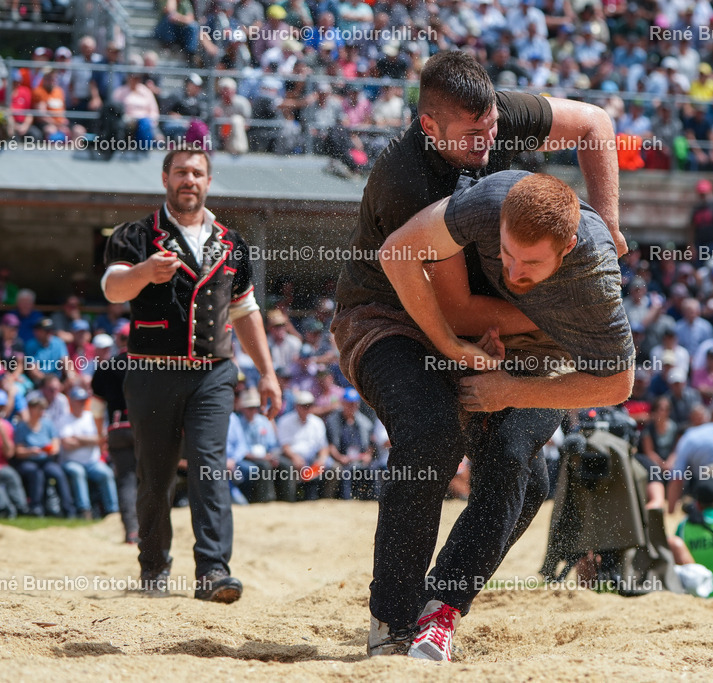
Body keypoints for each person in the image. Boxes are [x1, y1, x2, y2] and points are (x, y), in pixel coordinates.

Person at [330, 50, 626, 661]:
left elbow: (596, 123)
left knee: (521, 468)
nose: (488, 142)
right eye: (472, 135)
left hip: (492, 316)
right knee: (432, 432)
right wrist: (464, 346)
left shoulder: (493, 120)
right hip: (390, 316)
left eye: (493, 126)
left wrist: (613, 228)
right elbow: (458, 314)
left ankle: (440, 606)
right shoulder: (406, 181)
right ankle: (392, 621)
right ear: (430, 126)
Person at [374, 170, 634, 660]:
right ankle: (430, 603)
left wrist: (510, 387)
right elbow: (395, 252)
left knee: (512, 455)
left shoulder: (595, 278)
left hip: (546, 364)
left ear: (569, 246)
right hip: (484, 348)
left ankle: (441, 609)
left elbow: (618, 384)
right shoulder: (489, 203)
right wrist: (457, 344)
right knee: (528, 488)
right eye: (507, 253)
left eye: (531, 262)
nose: (514, 271)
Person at [101, 148, 281, 602]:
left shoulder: (232, 241)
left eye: (197, 173)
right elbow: (111, 288)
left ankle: (214, 572)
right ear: (165, 178)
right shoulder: (135, 235)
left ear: (208, 180)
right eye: (180, 172)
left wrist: (267, 373)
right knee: (155, 476)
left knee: (209, 466)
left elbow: (244, 310)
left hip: (213, 374)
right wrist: (143, 272)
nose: (189, 179)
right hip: (151, 371)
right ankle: (154, 567)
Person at [91, 330, 138, 542]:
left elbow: (97, 408)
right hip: (146, 430)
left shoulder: (106, 367)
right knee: (151, 480)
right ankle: (151, 531)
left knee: (126, 481)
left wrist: (101, 435)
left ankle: (132, 531)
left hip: (117, 429)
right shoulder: (150, 364)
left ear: (117, 341)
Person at [10, 393, 75, 518]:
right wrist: (30, 451)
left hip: (46, 460)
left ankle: (68, 509)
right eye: (39, 408)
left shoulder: (47, 424)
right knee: (36, 473)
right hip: (28, 461)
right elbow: (18, 451)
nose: (42, 411)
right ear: (31, 409)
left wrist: (50, 450)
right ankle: (36, 507)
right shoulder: (22, 427)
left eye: (43, 409)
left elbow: (55, 444)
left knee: (58, 473)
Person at [58, 386, 118, 519]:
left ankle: (113, 511)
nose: (82, 403)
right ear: (71, 401)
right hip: (71, 462)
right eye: (78, 400)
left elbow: (101, 440)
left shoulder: (91, 417)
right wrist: (92, 440)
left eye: (83, 400)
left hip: (92, 462)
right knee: (78, 472)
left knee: (106, 473)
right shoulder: (64, 419)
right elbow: (67, 444)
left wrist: (78, 438)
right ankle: (85, 510)